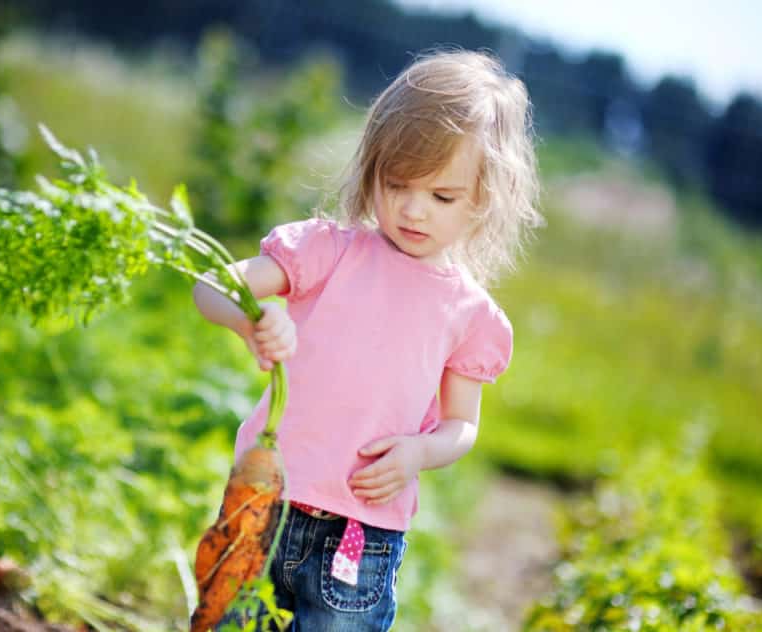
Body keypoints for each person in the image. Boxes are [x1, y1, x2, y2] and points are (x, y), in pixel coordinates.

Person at [192, 48, 545, 631]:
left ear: (484, 198)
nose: (413, 209)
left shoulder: (469, 314)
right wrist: (250, 318)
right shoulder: (329, 252)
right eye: (397, 183)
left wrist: (419, 452)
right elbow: (212, 286)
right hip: (264, 502)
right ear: (372, 167)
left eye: (442, 196)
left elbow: (462, 425)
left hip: (361, 534)